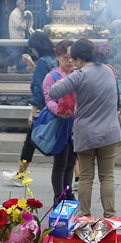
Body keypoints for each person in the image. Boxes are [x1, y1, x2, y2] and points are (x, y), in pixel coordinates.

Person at [49, 38, 121, 218]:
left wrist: (65, 78)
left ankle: (84, 216)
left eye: (73, 60)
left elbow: (53, 92)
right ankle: (110, 216)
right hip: (109, 133)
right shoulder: (108, 70)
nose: (73, 64)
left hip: (87, 134)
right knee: (107, 176)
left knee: (86, 177)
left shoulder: (79, 75)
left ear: (79, 59)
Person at [2, 31, 57, 186]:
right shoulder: (53, 60)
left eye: (32, 48)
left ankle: (20, 176)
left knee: (29, 142)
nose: (32, 51)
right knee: (65, 144)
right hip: (57, 108)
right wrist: (33, 65)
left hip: (44, 110)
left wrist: (33, 112)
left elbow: (41, 88)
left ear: (36, 47)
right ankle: (79, 178)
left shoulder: (42, 62)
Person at [43, 39, 77, 203]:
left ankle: (68, 192)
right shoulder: (52, 76)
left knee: (71, 161)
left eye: (72, 57)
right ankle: (59, 196)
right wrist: (58, 111)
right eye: (65, 57)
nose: (69, 61)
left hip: (75, 124)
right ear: (57, 56)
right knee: (60, 162)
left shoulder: (78, 74)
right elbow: (48, 99)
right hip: (60, 123)